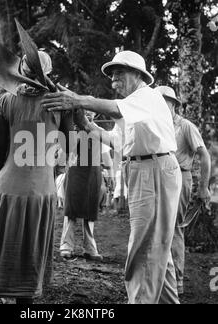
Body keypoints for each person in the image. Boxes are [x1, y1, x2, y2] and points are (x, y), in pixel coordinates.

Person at [42, 50, 182, 304]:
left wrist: (77, 99)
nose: (113, 77)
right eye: (111, 73)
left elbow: (110, 106)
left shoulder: (146, 96)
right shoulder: (134, 107)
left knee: (144, 251)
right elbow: (117, 142)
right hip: (145, 169)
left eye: (120, 71)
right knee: (158, 248)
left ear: (138, 74)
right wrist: (85, 123)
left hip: (155, 170)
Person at [0, 51, 72, 304]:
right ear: (48, 72)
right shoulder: (59, 103)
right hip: (41, 190)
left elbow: (0, 150)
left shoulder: (7, 101)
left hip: (8, 187)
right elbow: (69, 146)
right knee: (30, 255)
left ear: (22, 71)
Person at [156, 86, 211, 295]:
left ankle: (177, 281)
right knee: (159, 228)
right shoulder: (157, 125)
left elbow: (204, 155)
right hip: (159, 178)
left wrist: (203, 187)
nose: (161, 105)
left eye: (166, 102)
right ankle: (162, 278)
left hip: (180, 176)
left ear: (174, 105)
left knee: (175, 228)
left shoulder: (185, 126)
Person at [60, 111, 114, 262]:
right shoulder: (73, 132)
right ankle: (66, 246)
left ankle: (90, 248)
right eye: (84, 114)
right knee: (71, 209)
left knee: (90, 211)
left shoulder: (99, 131)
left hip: (93, 174)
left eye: (90, 114)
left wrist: (110, 175)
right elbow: (66, 152)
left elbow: (106, 156)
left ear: (93, 116)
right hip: (76, 172)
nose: (88, 117)